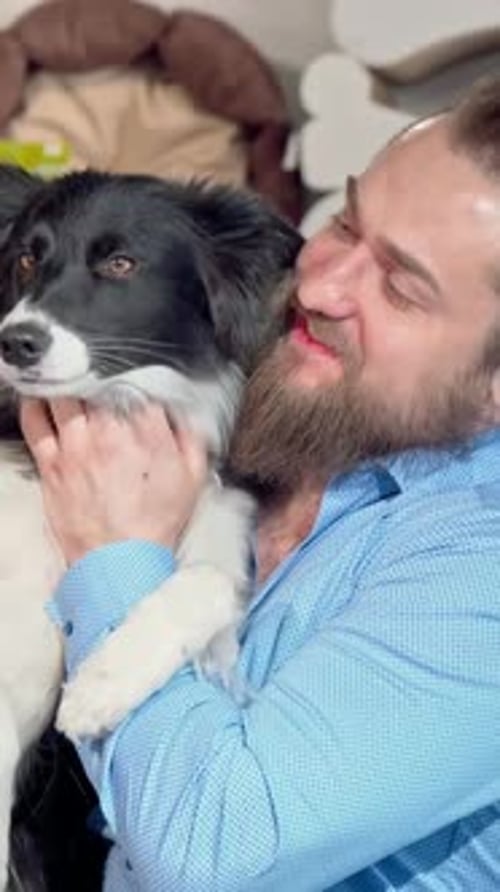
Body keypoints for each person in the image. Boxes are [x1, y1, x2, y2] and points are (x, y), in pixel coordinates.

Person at [19, 75, 500, 891]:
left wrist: (117, 552)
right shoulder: (300, 389)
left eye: (400, 288)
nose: (319, 285)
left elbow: (212, 851)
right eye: (346, 221)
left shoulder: (476, 576)